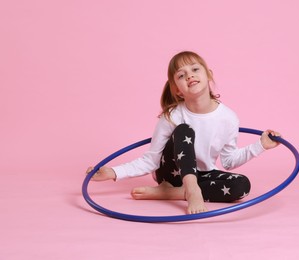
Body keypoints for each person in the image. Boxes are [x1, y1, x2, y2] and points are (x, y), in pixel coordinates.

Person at [86, 51, 281, 214]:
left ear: (209, 75)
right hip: (171, 174)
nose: (189, 75)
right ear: (177, 90)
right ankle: (190, 190)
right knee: (184, 130)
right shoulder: (173, 115)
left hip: (201, 175)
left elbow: (229, 161)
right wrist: (112, 172)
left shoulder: (228, 118)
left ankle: (171, 193)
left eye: (195, 69)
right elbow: (151, 160)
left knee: (242, 185)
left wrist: (261, 145)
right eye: (181, 75)